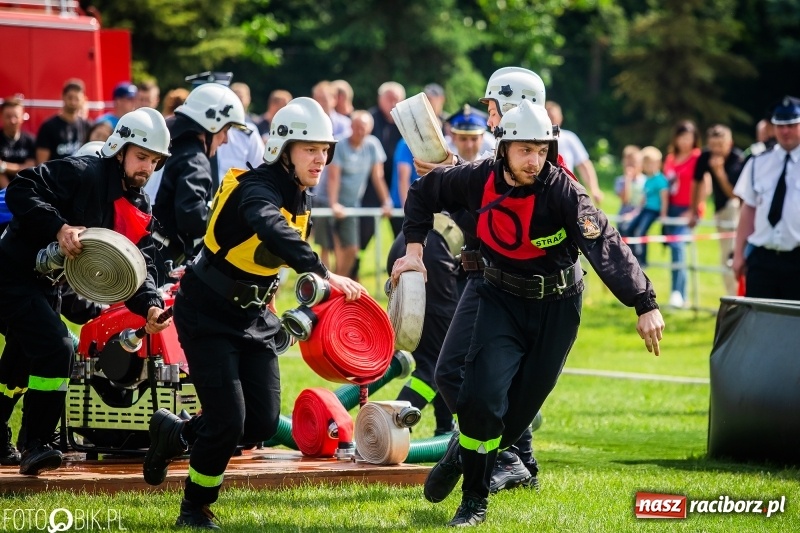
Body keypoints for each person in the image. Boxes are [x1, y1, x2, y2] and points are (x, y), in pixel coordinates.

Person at [392, 99, 664, 527]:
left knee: (512, 420)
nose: (534, 161)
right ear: (503, 148)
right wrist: (413, 254)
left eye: (541, 150)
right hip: (500, 298)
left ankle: (459, 454)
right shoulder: (475, 177)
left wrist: (644, 302)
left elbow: (605, 244)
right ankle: (474, 502)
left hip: (558, 308)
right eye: (524, 150)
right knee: (481, 398)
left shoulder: (563, 190)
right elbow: (423, 193)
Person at [142, 97, 365, 529]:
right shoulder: (256, 188)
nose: (320, 158)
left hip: (255, 317)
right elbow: (267, 223)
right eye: (309, 148)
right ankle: (195, 508)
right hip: (205, 312)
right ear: (283, 149)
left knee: (259, 422)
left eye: (325, 149)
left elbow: (269, 262)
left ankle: (177, 433)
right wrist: (320, 269)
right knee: (228, 419)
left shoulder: (302, 195)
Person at [0, 108, 172, 476]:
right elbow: (20, 188)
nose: (147, 167)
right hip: (10, 273)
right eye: (141, 156)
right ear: (118, 148)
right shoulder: (83, 172)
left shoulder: (137, 206)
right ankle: (37, 444)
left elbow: (141, 263)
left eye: (154, 161)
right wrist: (59, 227)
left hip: (47, 284)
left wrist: (151, 307)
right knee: (56, 347)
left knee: (18, 361)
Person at [152, 82, 250, 285]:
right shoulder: (195, 160)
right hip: (160, 258)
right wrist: (227, 220)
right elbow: (191, 217)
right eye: (226, 130)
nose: (225, 140)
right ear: (211, 124)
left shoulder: (167, 144)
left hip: (143, 247)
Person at [732, 96, 800, 300]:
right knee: (760, 324)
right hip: (762, 259)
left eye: (791, 125)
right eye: (780, 125)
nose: (785, 131)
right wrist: (738, 254)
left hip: (797, 258)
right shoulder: (758, 162)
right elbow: (748, 209)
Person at [322, 110, 391, 277]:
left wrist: (386, 201)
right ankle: (324, 286)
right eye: (357, 127)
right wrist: (333, 204)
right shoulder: (340, 145)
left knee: (352, 248)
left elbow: (378, 176)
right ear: (351, 126)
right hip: (326, 201)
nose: (360, 131)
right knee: (328, 248)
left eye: (364, 127)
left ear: (370, 129)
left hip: (352, 205)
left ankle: (340, 283)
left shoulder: (373, 145)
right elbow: (334, 177)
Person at [689, 125, 744, 295]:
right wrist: (693, 211)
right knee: (725, 254)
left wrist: (719, 172)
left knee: (730, 256)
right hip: (720, 210)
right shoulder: (705, 156)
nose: (716, 150)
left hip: (738, 209)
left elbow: (734, 195)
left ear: (730, 143)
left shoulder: (738, 159)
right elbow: (696, 183)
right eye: (713, 145)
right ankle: (733, 295)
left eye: (720, 145)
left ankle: (735, 296)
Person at [663, 120, 702, 308]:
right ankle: (677, 294)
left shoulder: (697, 157)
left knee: (678, 247)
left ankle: (679, 294)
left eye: (689, 138)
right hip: (670, 209)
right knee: (674, 252)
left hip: (689, 210)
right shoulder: (670, 158)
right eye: (682, 138)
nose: (685, 142)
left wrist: (694, 210)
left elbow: (705, 186)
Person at [545, 101, 604, 205]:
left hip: (565, 188)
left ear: (561, 117)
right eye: (549, 116)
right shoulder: (536, 139)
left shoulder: (569, 138)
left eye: (554, 117)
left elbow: (584, 165)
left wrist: (594, 189)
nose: (552, 120)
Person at [368, 81, 405, 238]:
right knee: (364, 229)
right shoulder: (370, 119)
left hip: (400, 180)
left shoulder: (407, 120)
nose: (393, 102)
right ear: (379, 98)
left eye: (396, 98)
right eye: (389, 98)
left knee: (402, 231)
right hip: (372, 181)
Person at [626, 146, 669, 266]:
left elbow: (664, 198)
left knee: (641, 231)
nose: (648, 166)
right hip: (645, 209)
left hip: (653, 210)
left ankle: (643, 260)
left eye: (651, 164)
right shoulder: (647, 180)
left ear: (658, 164)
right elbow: (643, 199)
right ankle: (632, 256)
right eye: (646, 164)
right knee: (629, 229)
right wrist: (635, 212)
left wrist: (664, 213)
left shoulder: (661, 180)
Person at [216, 83, 265, 181]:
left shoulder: (249, 133)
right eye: (235, 96)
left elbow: (259, 170)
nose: (238, 101)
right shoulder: (213, 129)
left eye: (241, 97)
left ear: (249, 99)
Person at [35, 79, 90, 163]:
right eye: (70, 97)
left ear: (83, 99)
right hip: (56, 175)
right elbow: (41, 163)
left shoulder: (87, 126)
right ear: (63, 96)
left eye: (77, 98)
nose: (73, 102)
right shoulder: (48, 127)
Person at [0, 96, 36, 188]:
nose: (12, 121)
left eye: (16, 116)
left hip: (24, 189)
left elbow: (30, 168)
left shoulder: (30, 141)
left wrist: (4, 166)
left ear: (22, 117)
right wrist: (8, 193)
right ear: (1, 116)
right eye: (8, 116)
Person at [613, 145, 645, 235]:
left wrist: (634, 215)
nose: (630, 167)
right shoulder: (620, 181)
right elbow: (625, 200)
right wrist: (627, 181)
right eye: (628, 164)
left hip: (639, 218)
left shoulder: (645, 181)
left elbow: (644, 202)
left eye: (634, 163)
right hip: (623, 218)